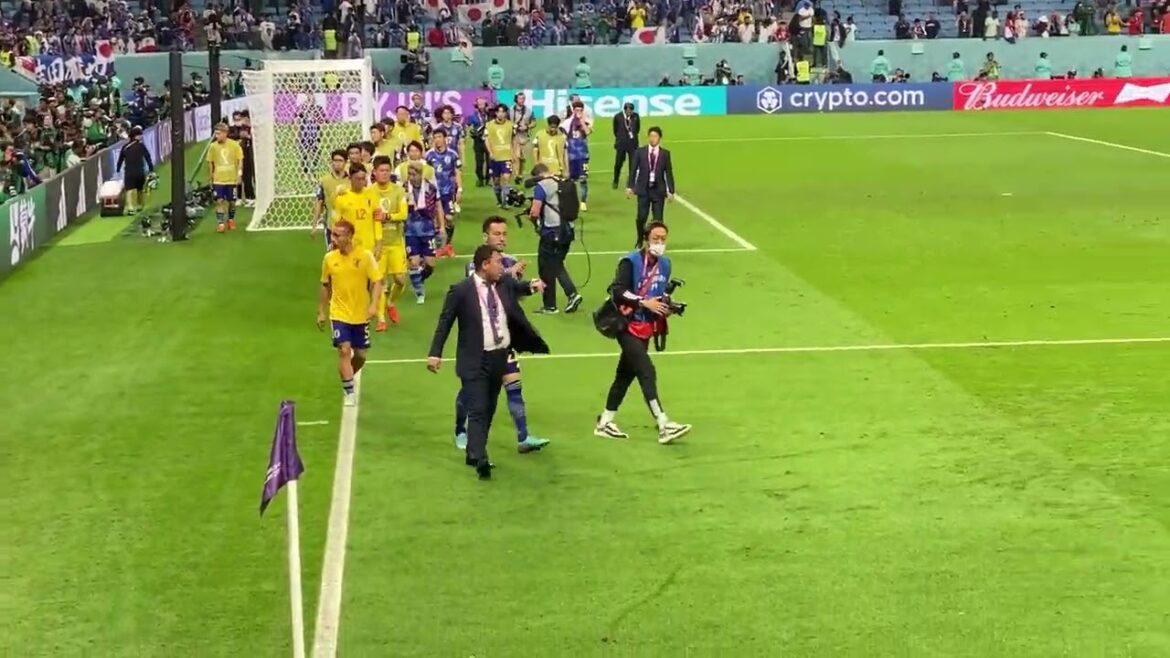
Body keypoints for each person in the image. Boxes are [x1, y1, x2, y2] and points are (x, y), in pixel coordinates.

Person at [427, 244, 549, 480]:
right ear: (485, 264)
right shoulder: (461, 290)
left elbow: (520, 287)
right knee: (478, 408)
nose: (502, 266)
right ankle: (480, 458)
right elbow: (445, 322)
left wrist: (533, 286)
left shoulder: (503, 284)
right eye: (498, 262)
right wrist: (435, 353)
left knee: (490, 407)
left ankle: (473, 451)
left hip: (499, 356)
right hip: (474, 358)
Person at [452, 217, 552, 453]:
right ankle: (460, 429)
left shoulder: (511, 260)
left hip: (503, 339)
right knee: (471, 390)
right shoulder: (476, 264)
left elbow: (512, 292)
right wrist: (509, 272)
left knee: (514, 385)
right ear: (485, 236)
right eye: (496, 234)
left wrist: (530, 286)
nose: (501, 238)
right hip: (480, 342)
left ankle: (523, 437)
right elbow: (483, 285)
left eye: (504, 234)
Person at [594, 222, 691, 443]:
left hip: (645, 328)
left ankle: (605, 422)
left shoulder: (665, 265)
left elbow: (658, 295)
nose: (660, 243)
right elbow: (617, 290)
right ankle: (663, 423)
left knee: (625, 376)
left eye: (663, 239)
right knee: (647, 371)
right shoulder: (630, 262)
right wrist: (643, 302)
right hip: (626, 325)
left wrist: (670, 306)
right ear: (646, 239)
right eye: (656, 238)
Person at [317, 219, 384, 407]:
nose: (333, 238)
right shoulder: (329, 258)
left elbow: (377, 281)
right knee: (344, 350)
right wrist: (321, 311)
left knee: (360, 355)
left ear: (349, 237)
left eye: (337, 235)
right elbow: (325, 285)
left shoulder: (365, 256)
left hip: (360, 314)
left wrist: (373, 305)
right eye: (333, 234)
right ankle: (349, 392)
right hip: (339, 313)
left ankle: (347, 377)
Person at [369, 155, 409, 328]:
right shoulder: (369, 192)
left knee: (400, 280)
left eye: (387, 170)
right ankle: (381, 319)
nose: (384, 173)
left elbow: (403, 214)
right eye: (381, 170)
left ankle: (390, 302)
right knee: (379, 282)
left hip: (396, 242)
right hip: (378, 244)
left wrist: (386, 217)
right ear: (374, 172)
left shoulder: (398, 191)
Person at [626, 126, 675, 248]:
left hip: (658, 191)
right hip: (643, 190)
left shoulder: (665, 154)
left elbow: (668, 172)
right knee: (641, 217)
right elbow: (633, 170)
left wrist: (671, 190)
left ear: (660, 138)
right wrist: (630, 186)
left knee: (658, 219)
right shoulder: (640, 152)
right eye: (651, 136)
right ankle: (640, 238)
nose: (653, 139)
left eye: (655, 136)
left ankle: (656, 242)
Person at [404, 162, 444, 303]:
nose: (411, 177)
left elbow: (438, 206)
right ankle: (419, 292)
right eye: (409, 174)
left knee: (430, 265)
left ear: (420, 174)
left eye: (414, 174)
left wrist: (442, 226)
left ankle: (416, 279)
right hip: (410, 231)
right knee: (414, 262)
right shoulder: (403, 188)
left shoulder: (430, 188)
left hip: (427, 230)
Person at [424, 128, 462, 258]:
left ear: (445, 138)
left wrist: (460, 189)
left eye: (439, 137)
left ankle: (447, 245)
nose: (437, 140)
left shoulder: (452, 154)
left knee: (449, 219)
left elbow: (457, 172)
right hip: (434, 194)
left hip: (448, 192)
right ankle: (439, 247)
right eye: (435, 137)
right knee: (436, 221)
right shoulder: (428, 155)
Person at [207, 123, 245, 233]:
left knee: (232, 202)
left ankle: (231, 220)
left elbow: (240, 160)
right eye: (216, 134)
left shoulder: (234, 145)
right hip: (218, 180)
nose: (216, 136)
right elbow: (210, 162)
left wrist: (239, 174)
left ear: (225, 133)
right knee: (219, 201)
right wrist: (210, 177)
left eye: (218, 134)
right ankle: (221, 223)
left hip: (231, 179)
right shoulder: (213, 147)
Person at [310, 149, 351, 249]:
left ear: (346, 162)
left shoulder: (351, 180)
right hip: (331, 225)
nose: (337, 163)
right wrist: (314, 225)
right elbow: (319, 202)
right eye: (335, 160)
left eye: (340, 160)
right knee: (332, 253)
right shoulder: (324, 180)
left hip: (349, 223)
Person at [115, 125, 153, 215]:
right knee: (140, 189)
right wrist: (151, 169)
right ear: (135, 136)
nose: (141, 136)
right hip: (140, 171)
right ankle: (140, 205)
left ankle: (130, 208)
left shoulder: (125, 147)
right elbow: (147, 157)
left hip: (129, 172)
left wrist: (118, 169)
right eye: (139, 135)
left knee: (129, 190)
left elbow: (120, 159)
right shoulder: (141, 146)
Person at [563, 100, 592, 212]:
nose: (579, 112)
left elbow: (588, 132)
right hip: (571, 156)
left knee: (583, 179)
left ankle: (583, 202)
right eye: (577, 110)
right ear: (573, 110)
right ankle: (572, 201)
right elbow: (563, 136)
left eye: (581, 110)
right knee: (571, 181)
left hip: (583, 156)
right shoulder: (568, 123)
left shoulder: (586, 121)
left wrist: (581, 121)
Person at [486, 103, 515, 207]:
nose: (501, 114)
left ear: (506, 113)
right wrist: (490, 152)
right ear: (496, 113)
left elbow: (514, 140)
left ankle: (505, 201)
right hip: (495, 157)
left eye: (503, 112)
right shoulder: (489, 125)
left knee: (506, 178)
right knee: (496, 181)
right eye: (499, 112)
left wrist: (514, 154)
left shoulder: (510, 125)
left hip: (507, 156)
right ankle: (499, 200)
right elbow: (487, 140)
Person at [611, 102, 640, 190]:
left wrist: (633, 136)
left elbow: (637, 129)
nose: (630, 112)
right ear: (625, 110)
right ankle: (615, 180)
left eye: (631, 110)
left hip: (633, 144)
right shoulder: (618, 117)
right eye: (628, 110)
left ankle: (631, 183)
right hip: (621, 144)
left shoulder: (635, 116)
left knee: (633, 165)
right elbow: (615, 130)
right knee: (618, 164)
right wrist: (621, 138)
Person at [511, 92, 535, 181]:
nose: (522, 100)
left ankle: (520, 175)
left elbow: (534, 122)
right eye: (520, 98)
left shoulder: (529, 111)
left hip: (525, 136)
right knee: (516, 156)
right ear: (516, 99)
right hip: (514, 135)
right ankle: (516, 175)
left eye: (523, 98)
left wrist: (527, 127)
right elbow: (506, 121)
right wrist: (513, 126)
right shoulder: (510, 110)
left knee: (523, 158)